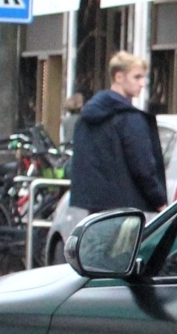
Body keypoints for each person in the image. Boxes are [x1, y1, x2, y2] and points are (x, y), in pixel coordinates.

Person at [60, 53, 166, 246]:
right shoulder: (129, 119)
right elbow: (143, 166)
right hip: (126, 208)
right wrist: (159, 200)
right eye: (137, 77)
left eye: (143, 77)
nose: (142, 84)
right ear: (119, 77)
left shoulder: (88, 117)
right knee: (121, 260)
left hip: (96, 207)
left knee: (97, 258)